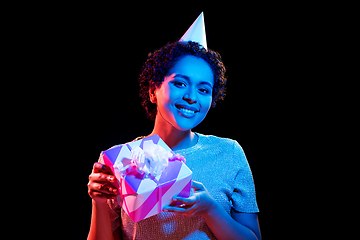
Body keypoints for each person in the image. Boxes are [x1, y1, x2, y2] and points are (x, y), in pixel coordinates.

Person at [87, 13, 261, 240]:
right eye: (180, 83)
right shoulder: (121, 159)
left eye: (203, 89)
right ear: (152, 90)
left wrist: (210, 209)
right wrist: (100, 204)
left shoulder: (229, 152)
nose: (191, 96)